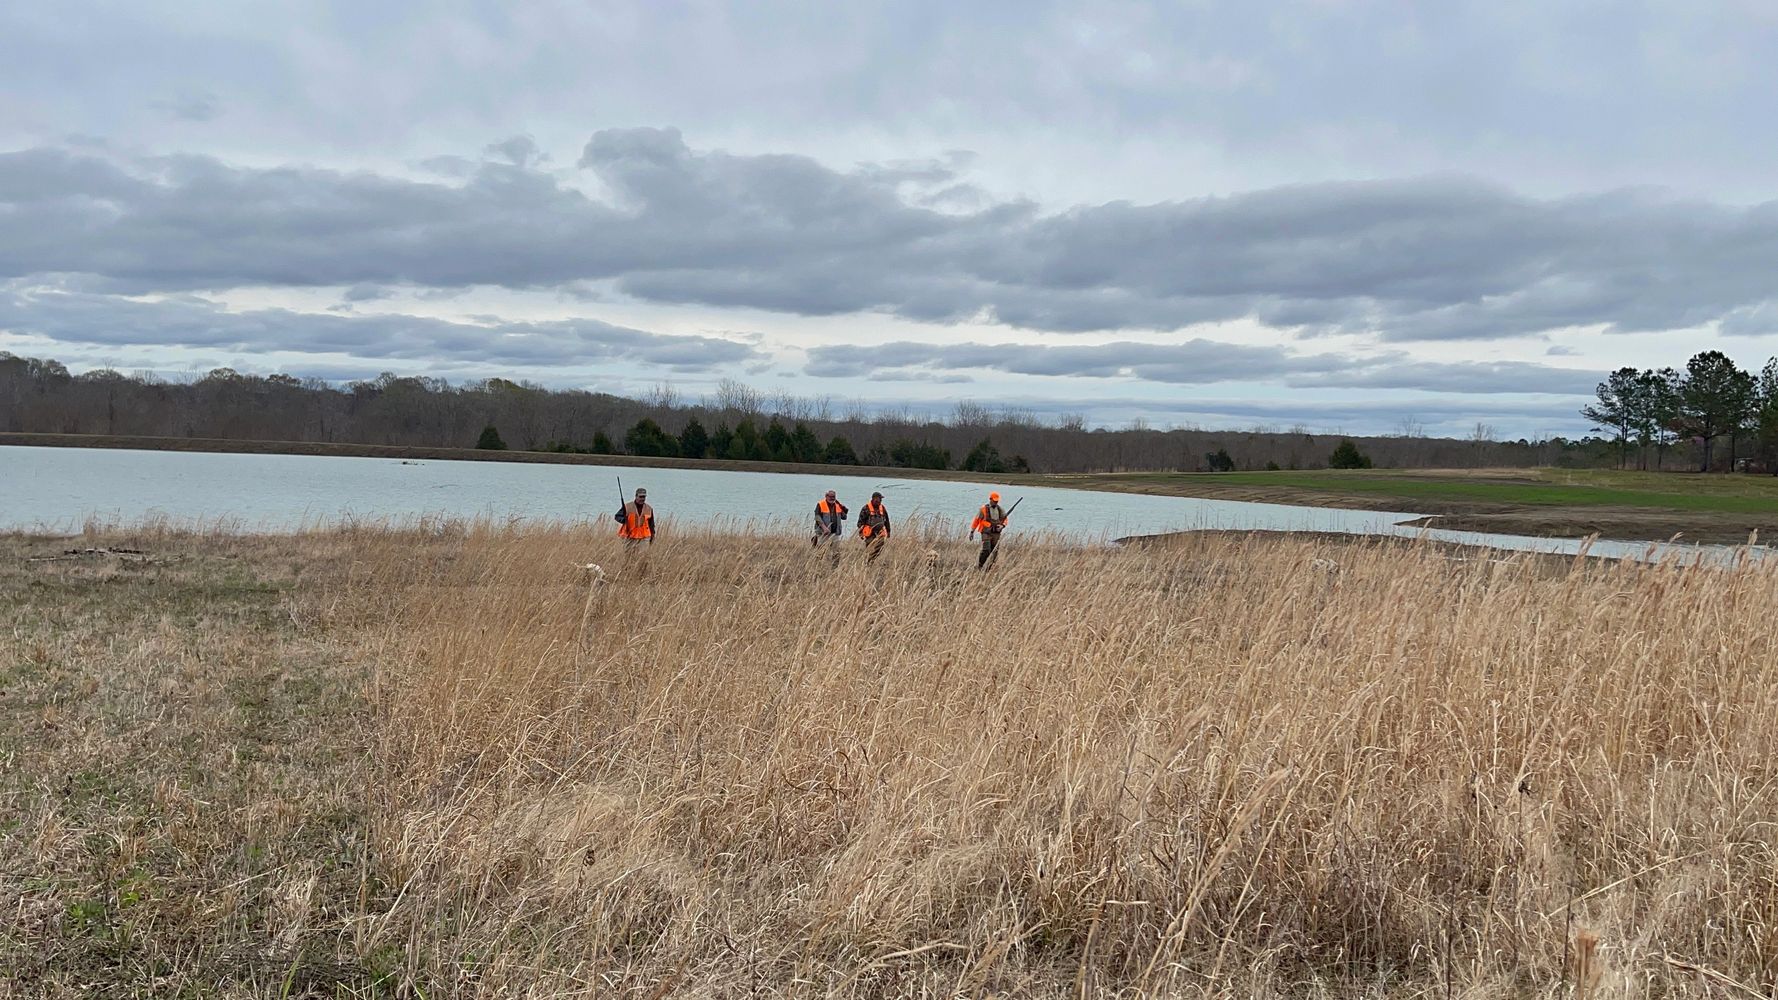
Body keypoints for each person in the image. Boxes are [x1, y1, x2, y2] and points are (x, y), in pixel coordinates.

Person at [969, 491, 1010, 569]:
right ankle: (979, 566)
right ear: (990, 499)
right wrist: (972, 531)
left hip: (996, 533)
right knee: (986, 550)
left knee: (994, 551)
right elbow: (976, 520)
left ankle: (989, 568)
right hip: (986, 532)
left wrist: (1002, 526)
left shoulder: (1000, 509)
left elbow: (1005, 519)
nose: (996, 502)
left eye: (997, 501)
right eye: (994, 501)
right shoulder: (983, 509)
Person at [857, 491, 891, 562]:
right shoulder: (866, 508)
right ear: (874, 499)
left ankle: (871, 560)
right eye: (879, 499)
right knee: (870, 548)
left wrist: (888, 531)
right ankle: (867, 562)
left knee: (879, 547)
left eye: (881, 499)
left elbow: (886, 521)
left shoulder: (882, 508)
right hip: (869, 533)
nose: (881, 501)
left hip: (880, 533)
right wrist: (861, 532)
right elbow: (860, 522)